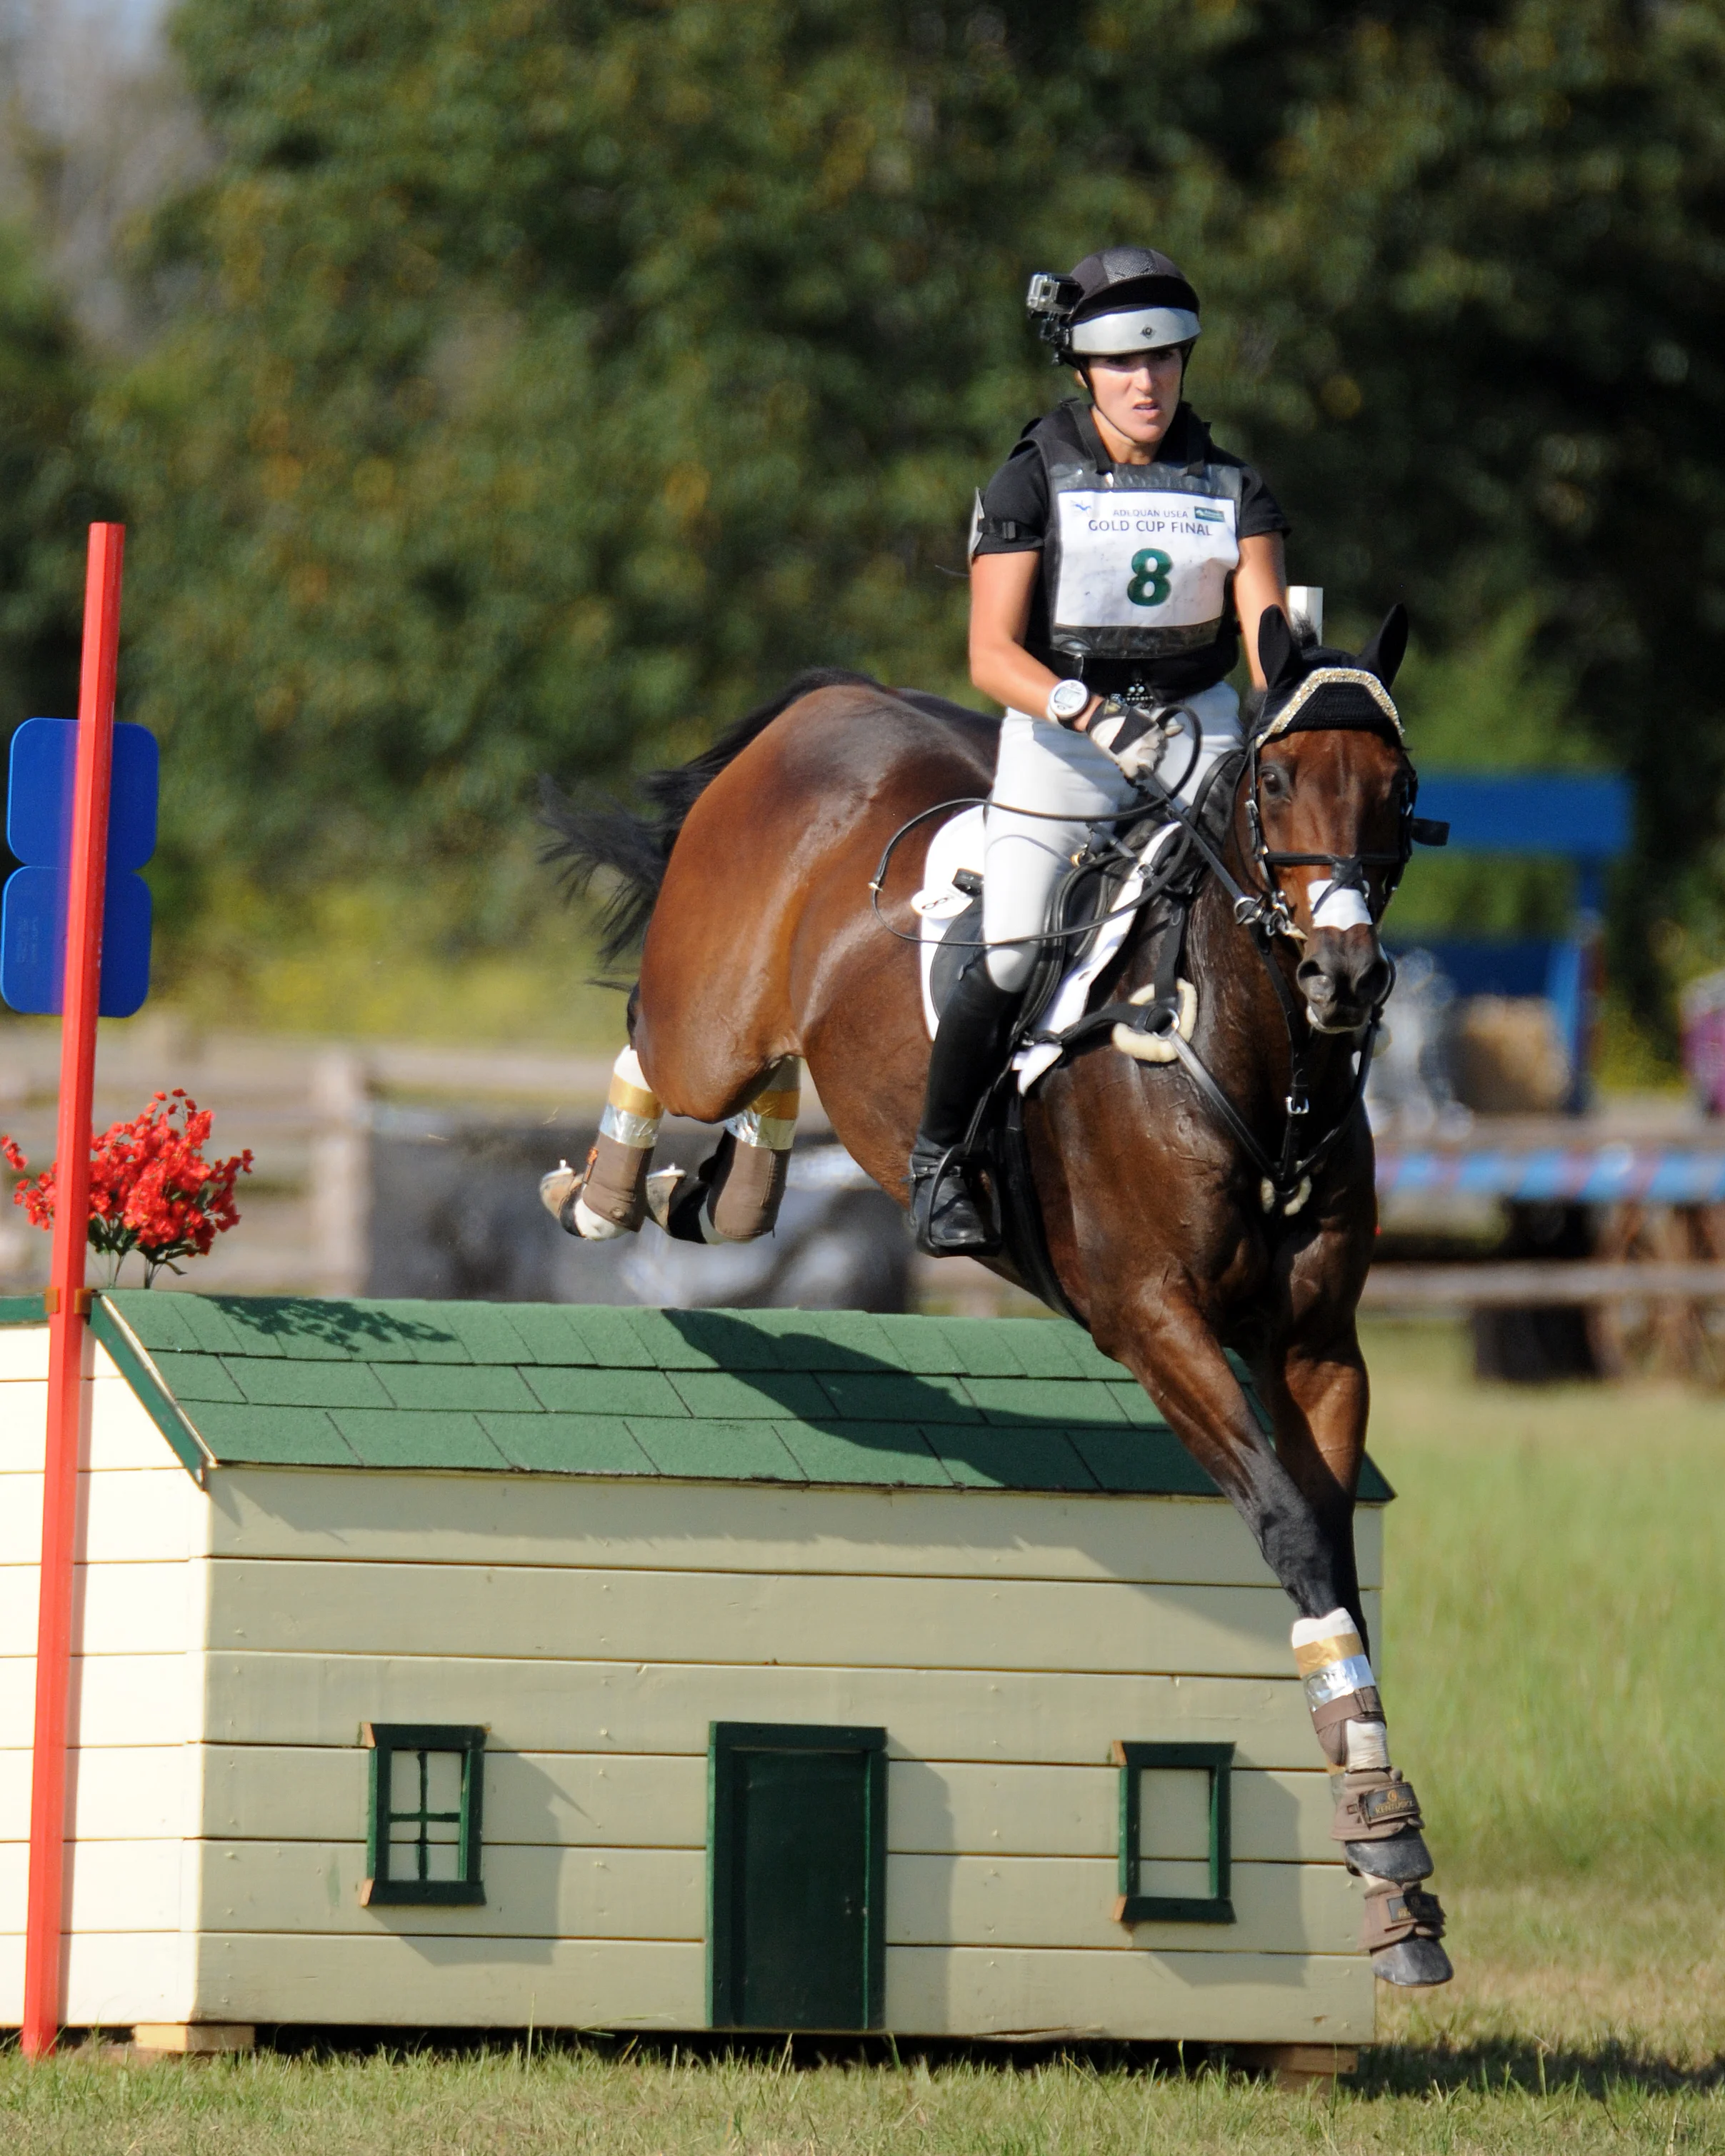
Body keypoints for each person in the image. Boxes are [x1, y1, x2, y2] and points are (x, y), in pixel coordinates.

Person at [909, 244, 1293, 1255]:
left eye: (1164, 360)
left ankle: (1299, 1136)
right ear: (1083, 372)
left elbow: (1263, 645)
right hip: (1061, 733)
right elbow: (991, 653)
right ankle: (941, 1158)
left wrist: (1304, 691)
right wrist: (1083, 710)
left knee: (1276, 910)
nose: (1147, 382)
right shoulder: (1029, 479)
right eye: (1124, 364)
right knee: (1014, 940)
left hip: (1193, 726)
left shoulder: (1234, 487)